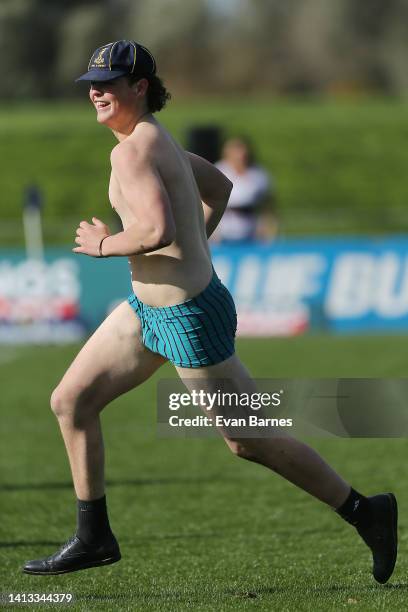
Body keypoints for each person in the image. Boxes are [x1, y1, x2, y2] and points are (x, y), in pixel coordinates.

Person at [23, 40, 397, 582]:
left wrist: (103, 245)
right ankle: (93, 535)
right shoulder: (153, 139)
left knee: (249, 440)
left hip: (188, 318)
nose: (97, 92)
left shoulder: (132, 151)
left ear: (140, 87)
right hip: (148, 312)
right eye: (91, 84)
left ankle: (367, 511)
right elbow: (219, 189)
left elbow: (157, 231)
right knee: (71, 402)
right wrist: (191, 256)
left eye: (109, 82)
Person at [212, 137, 276, 243]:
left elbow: (268, 205)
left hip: (251, 230)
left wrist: (268, 230)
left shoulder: (258, 174)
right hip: (222, 232)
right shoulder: (218, 171)